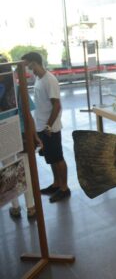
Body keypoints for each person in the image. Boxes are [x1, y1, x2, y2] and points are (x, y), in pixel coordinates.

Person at [21, 52, 70, 203]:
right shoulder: (38, 78)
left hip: (51, 128)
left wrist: (49, 125)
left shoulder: (50, 80)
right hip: (42, 126)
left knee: (58, 157)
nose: (27, 69)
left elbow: (57, 104)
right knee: (51, 158)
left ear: (34, 63)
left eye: (27, 65)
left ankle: (64, 188)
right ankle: (56, 184)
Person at [0, 55, 41, 218]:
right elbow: (28, 115)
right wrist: (35, 136)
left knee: (9, 171)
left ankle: (15, 207)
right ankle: (31, 207)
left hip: (3, 136)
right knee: (25, 171)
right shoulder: (18, 89)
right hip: (21, 134)